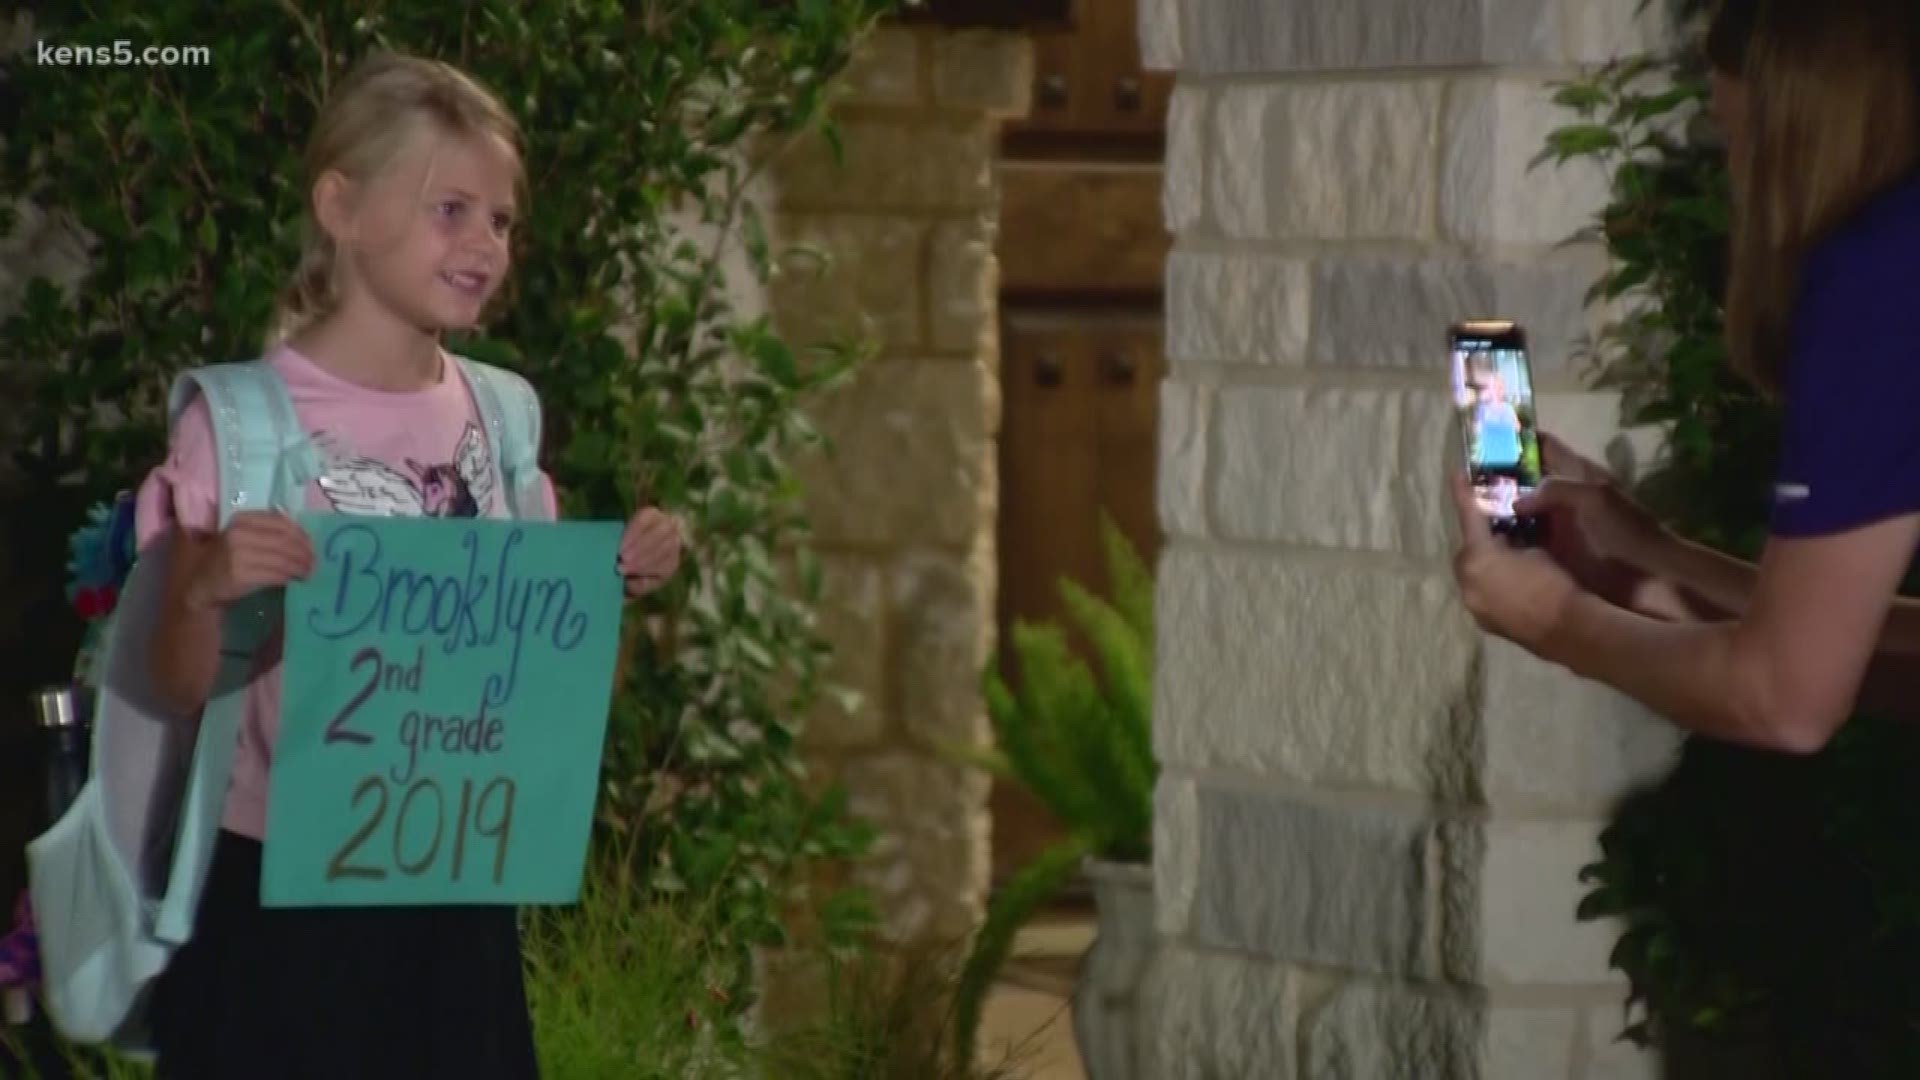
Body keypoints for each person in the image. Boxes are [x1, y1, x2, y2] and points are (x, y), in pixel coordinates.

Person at [133, 52, 685, 1077]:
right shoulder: (244, 425)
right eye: (451, 209)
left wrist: (607, 596)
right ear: (340, 205)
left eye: (503, 220)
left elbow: (548, 701)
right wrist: (205, 587)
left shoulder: (503, 416)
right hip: (279, 914)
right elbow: (170, 686)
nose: (485, 243)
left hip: (458, 917)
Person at [1451, 0, 1920, 752]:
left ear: (1797, 135)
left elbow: (1785, 702)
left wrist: (1550, 619)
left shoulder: (1879, 274)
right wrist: (1654, 555)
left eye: (1731, 135)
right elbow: (1852, 648)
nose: (1730, 173)